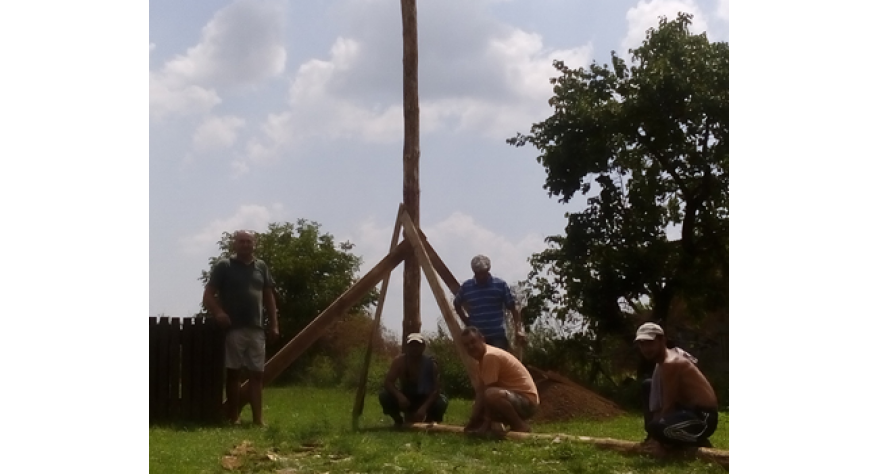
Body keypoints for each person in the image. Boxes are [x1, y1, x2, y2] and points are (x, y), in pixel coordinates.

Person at [203, 230, 279, 426]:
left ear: (255, 244)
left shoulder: (261, 267)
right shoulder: (224, 265)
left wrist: (274, 324)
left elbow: (269, 297)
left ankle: (258, 420)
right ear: (234, 244)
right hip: (233, 328)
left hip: (256, 328)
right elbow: (208, 295)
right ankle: (233, 417)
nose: (245, 245)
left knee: (257, 374)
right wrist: (219, 313)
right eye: (241, 241)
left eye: (249, 242)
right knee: (234, 373)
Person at [634, 322, 718, 452]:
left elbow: (668, 406)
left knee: (657, 428)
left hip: (703, 418)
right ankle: (665, 438)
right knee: (648, 385)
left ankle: (696, 442)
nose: (646, 348)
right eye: (642, 344)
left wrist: (658, 437)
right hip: (686, 411)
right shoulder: (662, 364)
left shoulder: (670, 363)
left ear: (662, 340)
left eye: (650, 343)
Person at [460, 326, 539, 433]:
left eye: (473, 342)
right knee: (479, 403)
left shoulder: (490, 356)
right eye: (467, 345)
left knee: (491, 394)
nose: (471, 347)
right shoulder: (480, 361)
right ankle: (487, 426)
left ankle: (520, 426)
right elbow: (480, 392)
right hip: (516, 398)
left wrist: (485, 423)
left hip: (527, 403)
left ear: (482, 339)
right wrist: (473, 420)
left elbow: (488, 393)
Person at [453, 255, 526, 352]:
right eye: (478, 273)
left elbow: (513, 308)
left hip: (497, 337)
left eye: (483, 273)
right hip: (477, 339)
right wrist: (466, 321)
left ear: (488, 270)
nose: (481, 276)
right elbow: (457, 304)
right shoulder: (467, 287)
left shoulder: (500, 285)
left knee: (498, 363)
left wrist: (518, 330)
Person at [378, 333, 448, 426]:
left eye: (418, 345)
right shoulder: (399, 361)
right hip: (406, 398)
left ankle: (429, 421)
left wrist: (424, 407)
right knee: (384, 396)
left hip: (424, 398)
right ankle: (398, 420)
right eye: (412, 345)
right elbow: (388, 382)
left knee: (442, 402)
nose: (414, 348)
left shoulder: (430, 364)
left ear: (423, 347)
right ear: (407, 347)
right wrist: (399, 396)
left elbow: (435, 390)